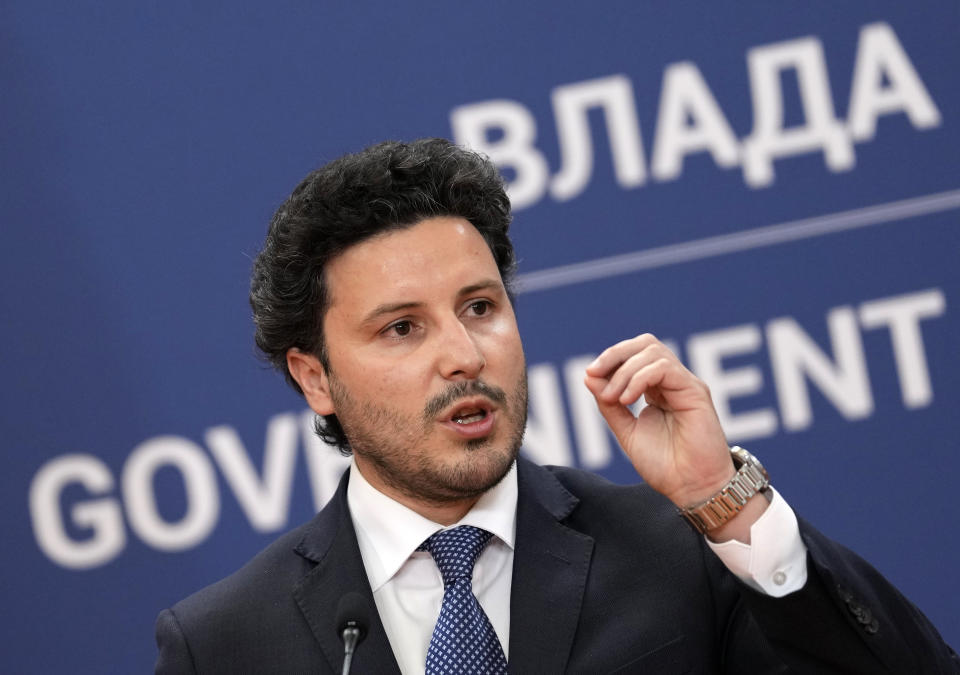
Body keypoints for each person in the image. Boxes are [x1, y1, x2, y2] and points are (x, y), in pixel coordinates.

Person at [155, 138, 958, 674]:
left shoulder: (676, 550)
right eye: (403, 327)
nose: (465, 354)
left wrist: (728, 506)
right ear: (315, 376)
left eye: (480, 306)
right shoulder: (225, 642)